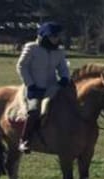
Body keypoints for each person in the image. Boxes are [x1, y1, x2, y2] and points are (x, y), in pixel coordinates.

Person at [16, 21, 71, 153]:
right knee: (34, 111)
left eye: (57, 36)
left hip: (52, 87)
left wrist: (64, 78)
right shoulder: (31, 48)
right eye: (53, 36)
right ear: (45, 36)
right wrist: (30, 84)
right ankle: (25, 140)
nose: (56, 39)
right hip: (34, 88)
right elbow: (21, 66)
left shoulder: (59, 51)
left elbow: (63, 68)